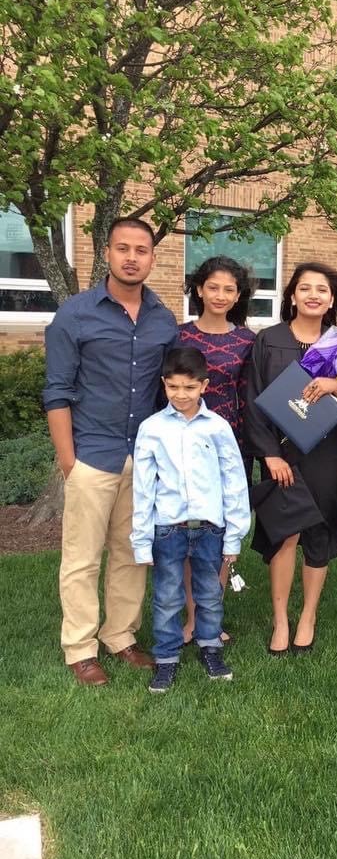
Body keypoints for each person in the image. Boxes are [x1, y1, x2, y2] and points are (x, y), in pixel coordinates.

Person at [43, 217, 177, 686]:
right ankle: (80, 648)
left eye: (141, 250)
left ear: (152, 258)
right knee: (82, 557)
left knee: (131, 551)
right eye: (123, 248)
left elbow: (168, 395)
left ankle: (120, 636)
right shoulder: (75, 315)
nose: (132, 257)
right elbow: (57, 391)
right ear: (107, 253)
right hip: (92, 456)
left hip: (143, 459)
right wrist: (68, 461)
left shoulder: (163, 318)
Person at [244, 262, 337, 655]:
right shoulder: (268, 340)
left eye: (322, 290)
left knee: (319, 532)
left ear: (331, 299)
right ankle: (280, 619)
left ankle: (308, 615)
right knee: (285, 533)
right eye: (305, 288)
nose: (313, 295)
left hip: (328, 451)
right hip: (283, 452)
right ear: (292, 296)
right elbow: (253, 400)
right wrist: (270, 455)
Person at [131, 347, 250, 693]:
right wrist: (141, 540)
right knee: (167, 596)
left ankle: (210, 648)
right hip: (168, 528)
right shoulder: (152, 429)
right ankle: (166, 659)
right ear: (164, 385)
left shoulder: (218, 427)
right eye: (173, 387)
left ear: (204, 386)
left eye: (189, 387)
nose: (181, 395)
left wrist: (234, 535)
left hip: (210, 527)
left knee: (210, 593)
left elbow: (234, 480)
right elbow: (143, 487)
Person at [179, 255, 256, 646]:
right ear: (198, 289)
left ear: (239, 294)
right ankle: (192, 617)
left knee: (222, 533)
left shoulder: (247, 340)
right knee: (192, 531)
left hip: (231, 449)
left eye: (229, 289)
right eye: (213, 287)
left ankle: (212, 617)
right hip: (186, 448)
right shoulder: (180, 336)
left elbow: (255, 397)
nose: (221, 295)